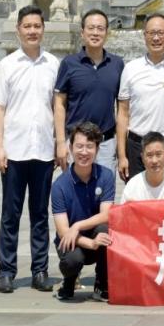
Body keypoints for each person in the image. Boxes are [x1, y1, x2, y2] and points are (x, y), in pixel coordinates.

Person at [0, 5, 61, 294]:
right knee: (11, 214)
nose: (33, 31)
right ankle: (6, 271)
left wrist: (59, 143)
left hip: (43, 151)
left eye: (37, 26)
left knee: (40, 215)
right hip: (15, 151)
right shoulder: (7, 65)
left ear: (43, 29)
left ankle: (40, 271)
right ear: (18, 29)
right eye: (27, 26)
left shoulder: (53, 64)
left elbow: (58, 106)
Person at [116, 13, 164, 181]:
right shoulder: (130, 69)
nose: (156, 38)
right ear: (144, 35)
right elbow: (122, 113)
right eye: (151, 33)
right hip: (136, 147)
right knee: (135, 196)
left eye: (161, 33)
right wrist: (122, 155)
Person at [54, 9, 124, 174]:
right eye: (91, 28)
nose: (95, 33)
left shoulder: (117, 64)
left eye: (100, 28)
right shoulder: (69, 63)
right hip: (76, 144)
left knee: (105, 190)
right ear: (82, 32)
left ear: (107, 33)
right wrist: (61, 142)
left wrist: (121, 150)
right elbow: (59, 104)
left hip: (105, 144)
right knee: (75, 189)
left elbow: (122, 109)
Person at [50, 122, 114, 301]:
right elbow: (63, 231)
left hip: (93, 235)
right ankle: (69, 280)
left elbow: (107, 214)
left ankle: (102, 284)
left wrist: (77, 225)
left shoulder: (106, 176)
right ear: (70, 148)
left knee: (105, 229)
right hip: (72, 242)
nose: (84, 152)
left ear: (97, 149)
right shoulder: (59, 186)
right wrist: (90, 243)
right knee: (73, 261)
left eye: (89, 146)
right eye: (79, 146)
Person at [120, 132, 164, 202]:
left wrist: (137, 206)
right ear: (142, 158)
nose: (154, 161)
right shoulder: (132, 185)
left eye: (158, 154)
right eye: (149, 155)